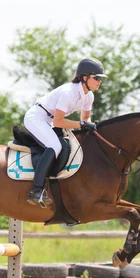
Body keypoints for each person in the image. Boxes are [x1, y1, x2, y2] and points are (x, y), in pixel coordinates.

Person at [23, 57, 107, 207]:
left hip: (48, 120)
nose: (99, 81)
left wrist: (87, 127)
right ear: (85, 77)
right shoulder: (69, 92)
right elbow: (58, 121)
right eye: (97, 78)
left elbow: (85, 119)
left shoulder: (89, 96)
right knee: (56, 146)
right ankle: (36, 190)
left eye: (100, 78)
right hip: (36, 117)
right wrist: (81, 124)